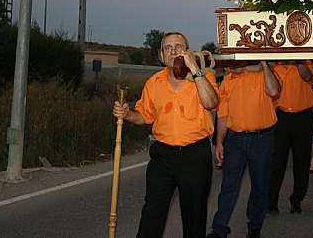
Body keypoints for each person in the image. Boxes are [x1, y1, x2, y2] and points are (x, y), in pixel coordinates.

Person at [113, 32, 219, 238]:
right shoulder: (154, 83)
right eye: (168, 48)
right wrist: (127, 114)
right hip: (162, 157)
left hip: (195, 156)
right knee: (152, 214)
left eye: (179, 46)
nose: (173, 51)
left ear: (187, 51)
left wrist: (195, 69)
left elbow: (211, 103)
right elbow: (144, 116)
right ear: (161, 55)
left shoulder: (204, 77)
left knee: (194, 218)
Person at [207, 62, 280, 238]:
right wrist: (220, 143)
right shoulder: (226, 82)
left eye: (236, 62)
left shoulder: (263, 74)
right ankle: (219, 228)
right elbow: (223, 115)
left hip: (262, 140)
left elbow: (274, 91)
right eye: (230, 63)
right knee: (228, 186)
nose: (233, 67)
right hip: (234, 141)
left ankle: (254, 227)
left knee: (260, 186)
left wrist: (263, 62)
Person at [268, 61, 313, 214]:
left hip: (303, 117)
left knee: (301, 161)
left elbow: (307, 77)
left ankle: (297, 199)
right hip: (280, 117)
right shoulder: (275, 66)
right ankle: (271, 201)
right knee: (276, 162)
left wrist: (297, 58)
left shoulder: (305, 63)